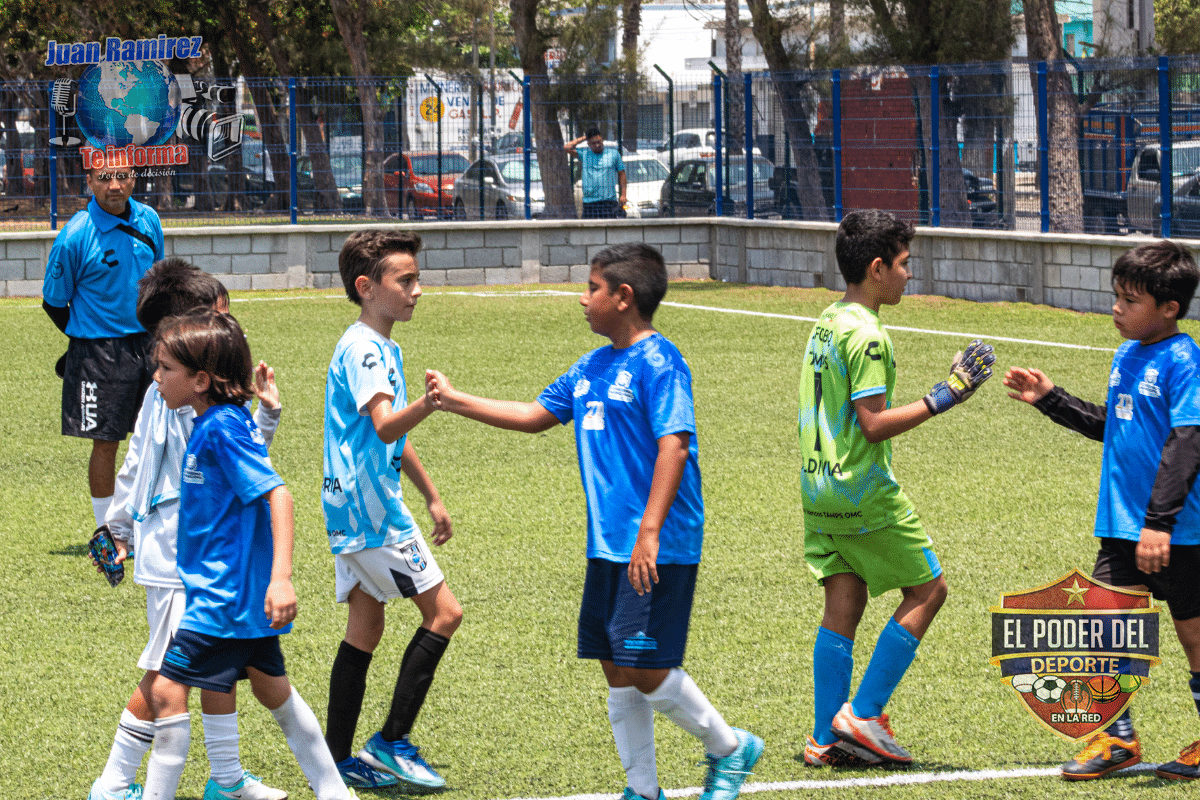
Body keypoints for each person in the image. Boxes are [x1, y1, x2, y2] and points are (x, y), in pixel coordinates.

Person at [427, 242, 763, 800]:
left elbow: (674, 445)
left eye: (592, 288)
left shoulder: (661, 361)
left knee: (645, 664)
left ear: (623, 297)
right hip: (608, 546)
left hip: (658, 543)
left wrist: (649, 531)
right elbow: (536, 415)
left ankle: (729, 748)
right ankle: (643, 790)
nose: (581, 299)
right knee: (613, 663)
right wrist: (455, 400)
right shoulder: (592, 365)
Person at [797, 209, 993, 768]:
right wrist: (946, 395)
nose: (911, 274)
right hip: (861, 490)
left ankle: (825, 738)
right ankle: (863, 714)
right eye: (905, 264)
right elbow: (873, 423)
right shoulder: (870, 337)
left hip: (818, 489)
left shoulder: (829, 320)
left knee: (845, 600)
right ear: (878, 267)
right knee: (929, 591)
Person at [88, 259, 286, 800]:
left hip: (182, 553)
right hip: (183, 556)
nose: (230, 331)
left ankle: (226, 779)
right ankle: (114, 783)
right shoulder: (183, 396)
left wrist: (118, 526)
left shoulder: (165, 389)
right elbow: (234, 470)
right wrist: (121, 528)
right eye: (219, 317)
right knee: (165, 677)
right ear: (183, 330)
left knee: (217, 670)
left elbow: (138, 464)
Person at [1004, 239, 1200, 782]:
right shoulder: (1127, 353)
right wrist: (1052, 399)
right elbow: (1113, 428)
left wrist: (1159, 524)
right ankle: (1117, 740)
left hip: (1179, 532)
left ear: (1169, 309)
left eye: (1130, 300)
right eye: (1115, 296)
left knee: (1193, 636)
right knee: (1102, 628)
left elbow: (1188, 444)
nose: (1116, 308)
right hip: (1121, 528)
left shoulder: (1185, 361)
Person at [139, 310, 356, 800]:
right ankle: (334, 793)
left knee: (166, 694)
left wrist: (282, 577)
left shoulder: (219, 428)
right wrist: (268, 416)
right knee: (271, 690)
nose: (156, 376)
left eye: (166, 368)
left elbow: (277, 494)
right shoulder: (218, 422)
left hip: (222, 600)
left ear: (200, 380)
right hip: (235, 599)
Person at [321, 230, 461, 790]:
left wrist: (430, 493)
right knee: (444, 614)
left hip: (352, 504)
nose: (416, 290)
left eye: (416, 278)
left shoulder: (380, 346)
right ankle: (391, 742)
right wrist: (431, 403)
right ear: (366, 286)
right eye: (404, 280)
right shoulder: (364, 349)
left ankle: (332, 759)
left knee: (365, 625)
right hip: (370, 512)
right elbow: (386, 424)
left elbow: (388, 441)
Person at [42, 161, 164, 530]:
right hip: (98, 353)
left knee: (160, 435)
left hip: (149, 346)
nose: (114, 185)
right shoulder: (74, 236)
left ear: (134, 179)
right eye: (105, 178)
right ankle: (107, 530)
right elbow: (53, 302)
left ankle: (153, 522)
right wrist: (83, 338)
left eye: (122, 176)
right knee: (106, 441)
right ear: (90, 182)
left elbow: (158, 283)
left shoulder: (149, 220)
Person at [566, 126, 627, 219]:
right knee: (589, 231)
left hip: (608, 201)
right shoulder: (584, 154)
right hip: (589, 202)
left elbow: (622, 173)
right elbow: (567, 147)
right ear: (589, 144)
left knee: (609, 230)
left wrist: (623, 195)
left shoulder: (613, 154)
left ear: (602, 139)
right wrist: (584, 137)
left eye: (599, 141)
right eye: (593, 143)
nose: (597, 145)